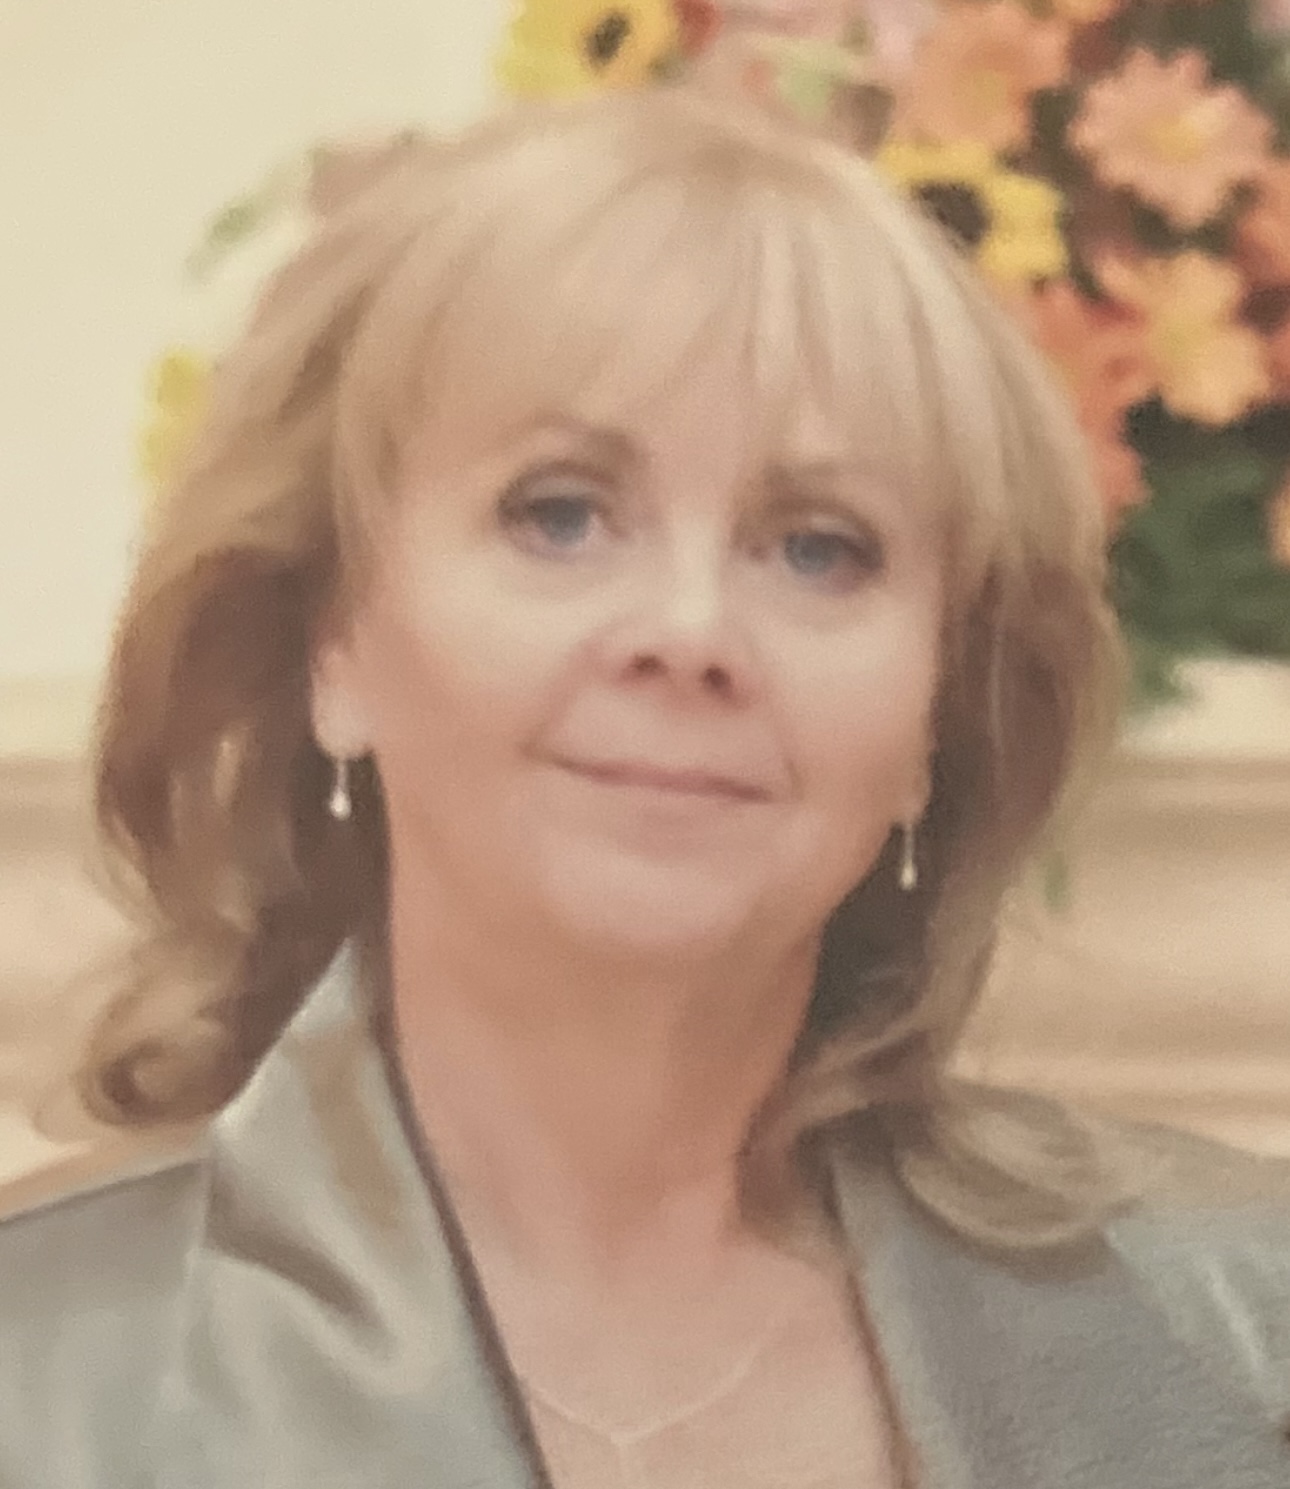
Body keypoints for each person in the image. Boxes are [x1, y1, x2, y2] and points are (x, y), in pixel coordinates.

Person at [2, 84, 1288, 1489]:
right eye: (559, 514)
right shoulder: (41, 1373)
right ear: (333, 641)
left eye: (818, 547)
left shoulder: (1242, 1333)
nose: (689, 631)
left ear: (936, 718)